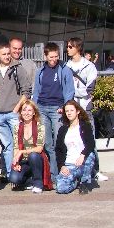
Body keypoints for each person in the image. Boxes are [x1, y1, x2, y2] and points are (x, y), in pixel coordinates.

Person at [66, 37, 108, 182]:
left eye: (70, 47)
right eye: (67, 46)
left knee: (89, 139)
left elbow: (89, 89)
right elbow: (65, 88)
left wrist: (73, 91)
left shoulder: (89, 66)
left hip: (85, 108)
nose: (68, 49)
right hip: (70, 110)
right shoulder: (66, 66)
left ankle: (95, 170)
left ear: (78, 48)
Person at [0, 42, 30, 175]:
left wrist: (17, 108)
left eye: (8, 53)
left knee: (18, 144)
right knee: (7, 145)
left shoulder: (18, 69)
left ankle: (17, 173)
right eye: (4, 54)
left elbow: (27, 90)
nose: (7, 56)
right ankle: (10, 173)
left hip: (13, 113)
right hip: (0, 114)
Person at [32, 42, 75, 181]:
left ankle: (61, 172)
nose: (54, 59)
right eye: (51, 57)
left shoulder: (64, 70)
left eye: (56, 56)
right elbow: (36, 91)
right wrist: (35, 107)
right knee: (47, 143)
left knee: (59, 141)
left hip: (57, 109)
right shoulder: (40, 71)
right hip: (42, 108)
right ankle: (52, 174)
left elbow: (69, 90)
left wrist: (64, 106)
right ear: (45, 56)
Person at [55, 100, 97, 195]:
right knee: (61, 188)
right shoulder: (63, 129)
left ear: (77, 111)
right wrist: (62, 166)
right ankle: (75, 182)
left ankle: (84, 183)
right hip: (69, 163)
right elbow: (59, 150)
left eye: (71, 110)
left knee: (90, 156)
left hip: (82, 162)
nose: (69, 113)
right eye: (67, 111)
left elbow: (91, 144)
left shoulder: (85, 126)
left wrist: (83, 155)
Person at [8, 100, 48, 193]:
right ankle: (29, 181)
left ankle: (38, 183)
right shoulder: (17, 128)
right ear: (21, 112)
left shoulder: (40, 127)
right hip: (23, 161)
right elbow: (16, 147)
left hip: (36, 159)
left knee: (33, 155)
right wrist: (16, 162)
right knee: (14, 178)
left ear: (34, 113)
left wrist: (22, 151)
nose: (27, 113)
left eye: (29, 110)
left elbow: (39, 148)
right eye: (24, 110)